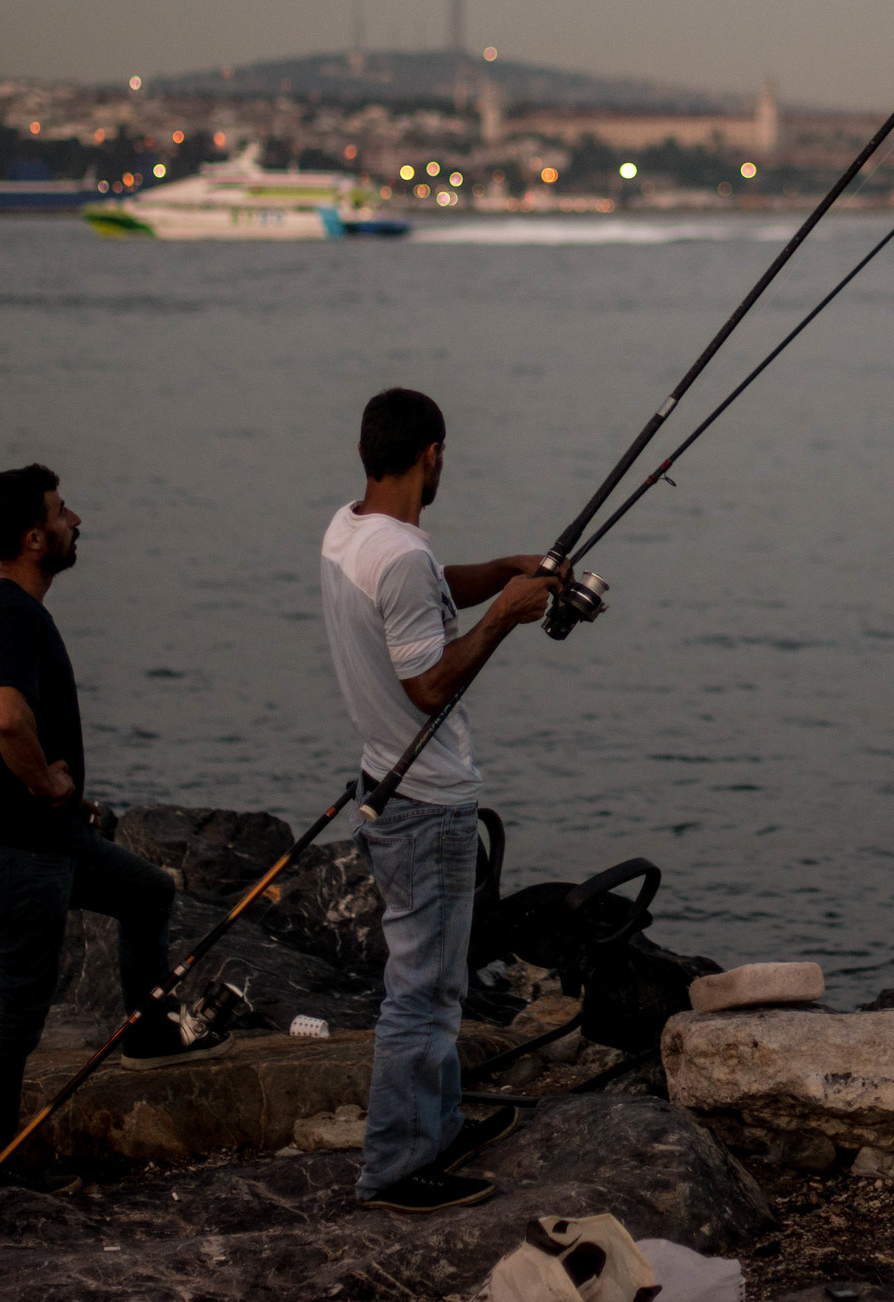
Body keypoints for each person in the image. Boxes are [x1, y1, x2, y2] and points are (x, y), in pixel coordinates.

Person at [0, 463, 230, 1193]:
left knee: (147, 894)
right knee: (14, 1013)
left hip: (47, 836)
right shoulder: (11, 614)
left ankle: (149, 1033)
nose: (77, 522)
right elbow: (5, 716)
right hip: (16, 850)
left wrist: (66, 804)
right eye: (63, 512)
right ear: (35, 539)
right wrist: (46, 784)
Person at [323, 388, 556, 1213]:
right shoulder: (400, 556)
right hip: (425, 802)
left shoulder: (351, 530)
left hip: (385, 782)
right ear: (432, 455)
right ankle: (396, 1168)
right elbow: (427, 685)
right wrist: (506, 616)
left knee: (438, 985)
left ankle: (438, 1125)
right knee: (420, 994)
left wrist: (505, 571)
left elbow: (426, 595)